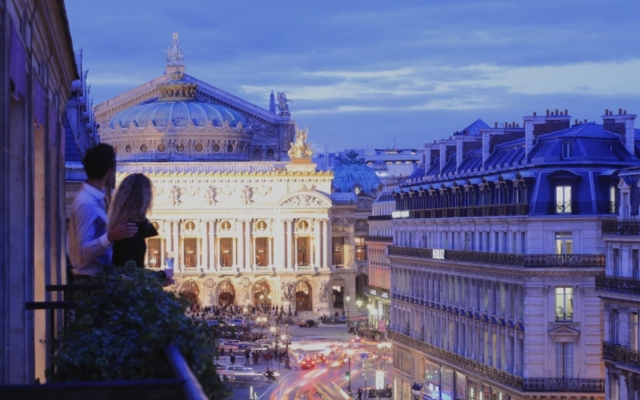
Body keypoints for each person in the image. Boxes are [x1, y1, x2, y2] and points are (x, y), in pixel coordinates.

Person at [68, 144, 137, 280]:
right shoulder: (86, 203)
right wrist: (111, 236)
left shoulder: (93, 200)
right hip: (90, 283)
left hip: (95, 279)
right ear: (109, 171)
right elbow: (84, 251)